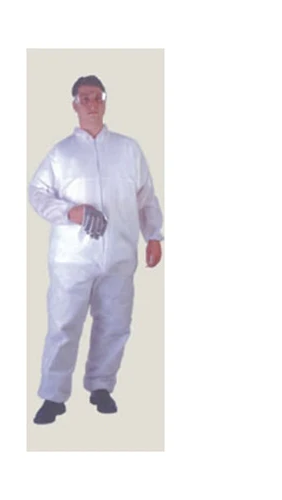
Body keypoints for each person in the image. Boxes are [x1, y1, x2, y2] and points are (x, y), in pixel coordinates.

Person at [28, 75, 164, 424]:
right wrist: (69, 212)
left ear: (104, 101)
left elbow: (146, 196)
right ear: (74, 104)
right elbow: (37, 193)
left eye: (97, 97)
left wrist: (153, 235)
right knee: (63, 326)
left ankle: (101, 386)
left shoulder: (128, 149)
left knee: (115, 324)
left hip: (119, 254)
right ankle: (53, 396)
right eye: (84, 98)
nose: (91, 103)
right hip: (72, 259)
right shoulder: (61, 153)